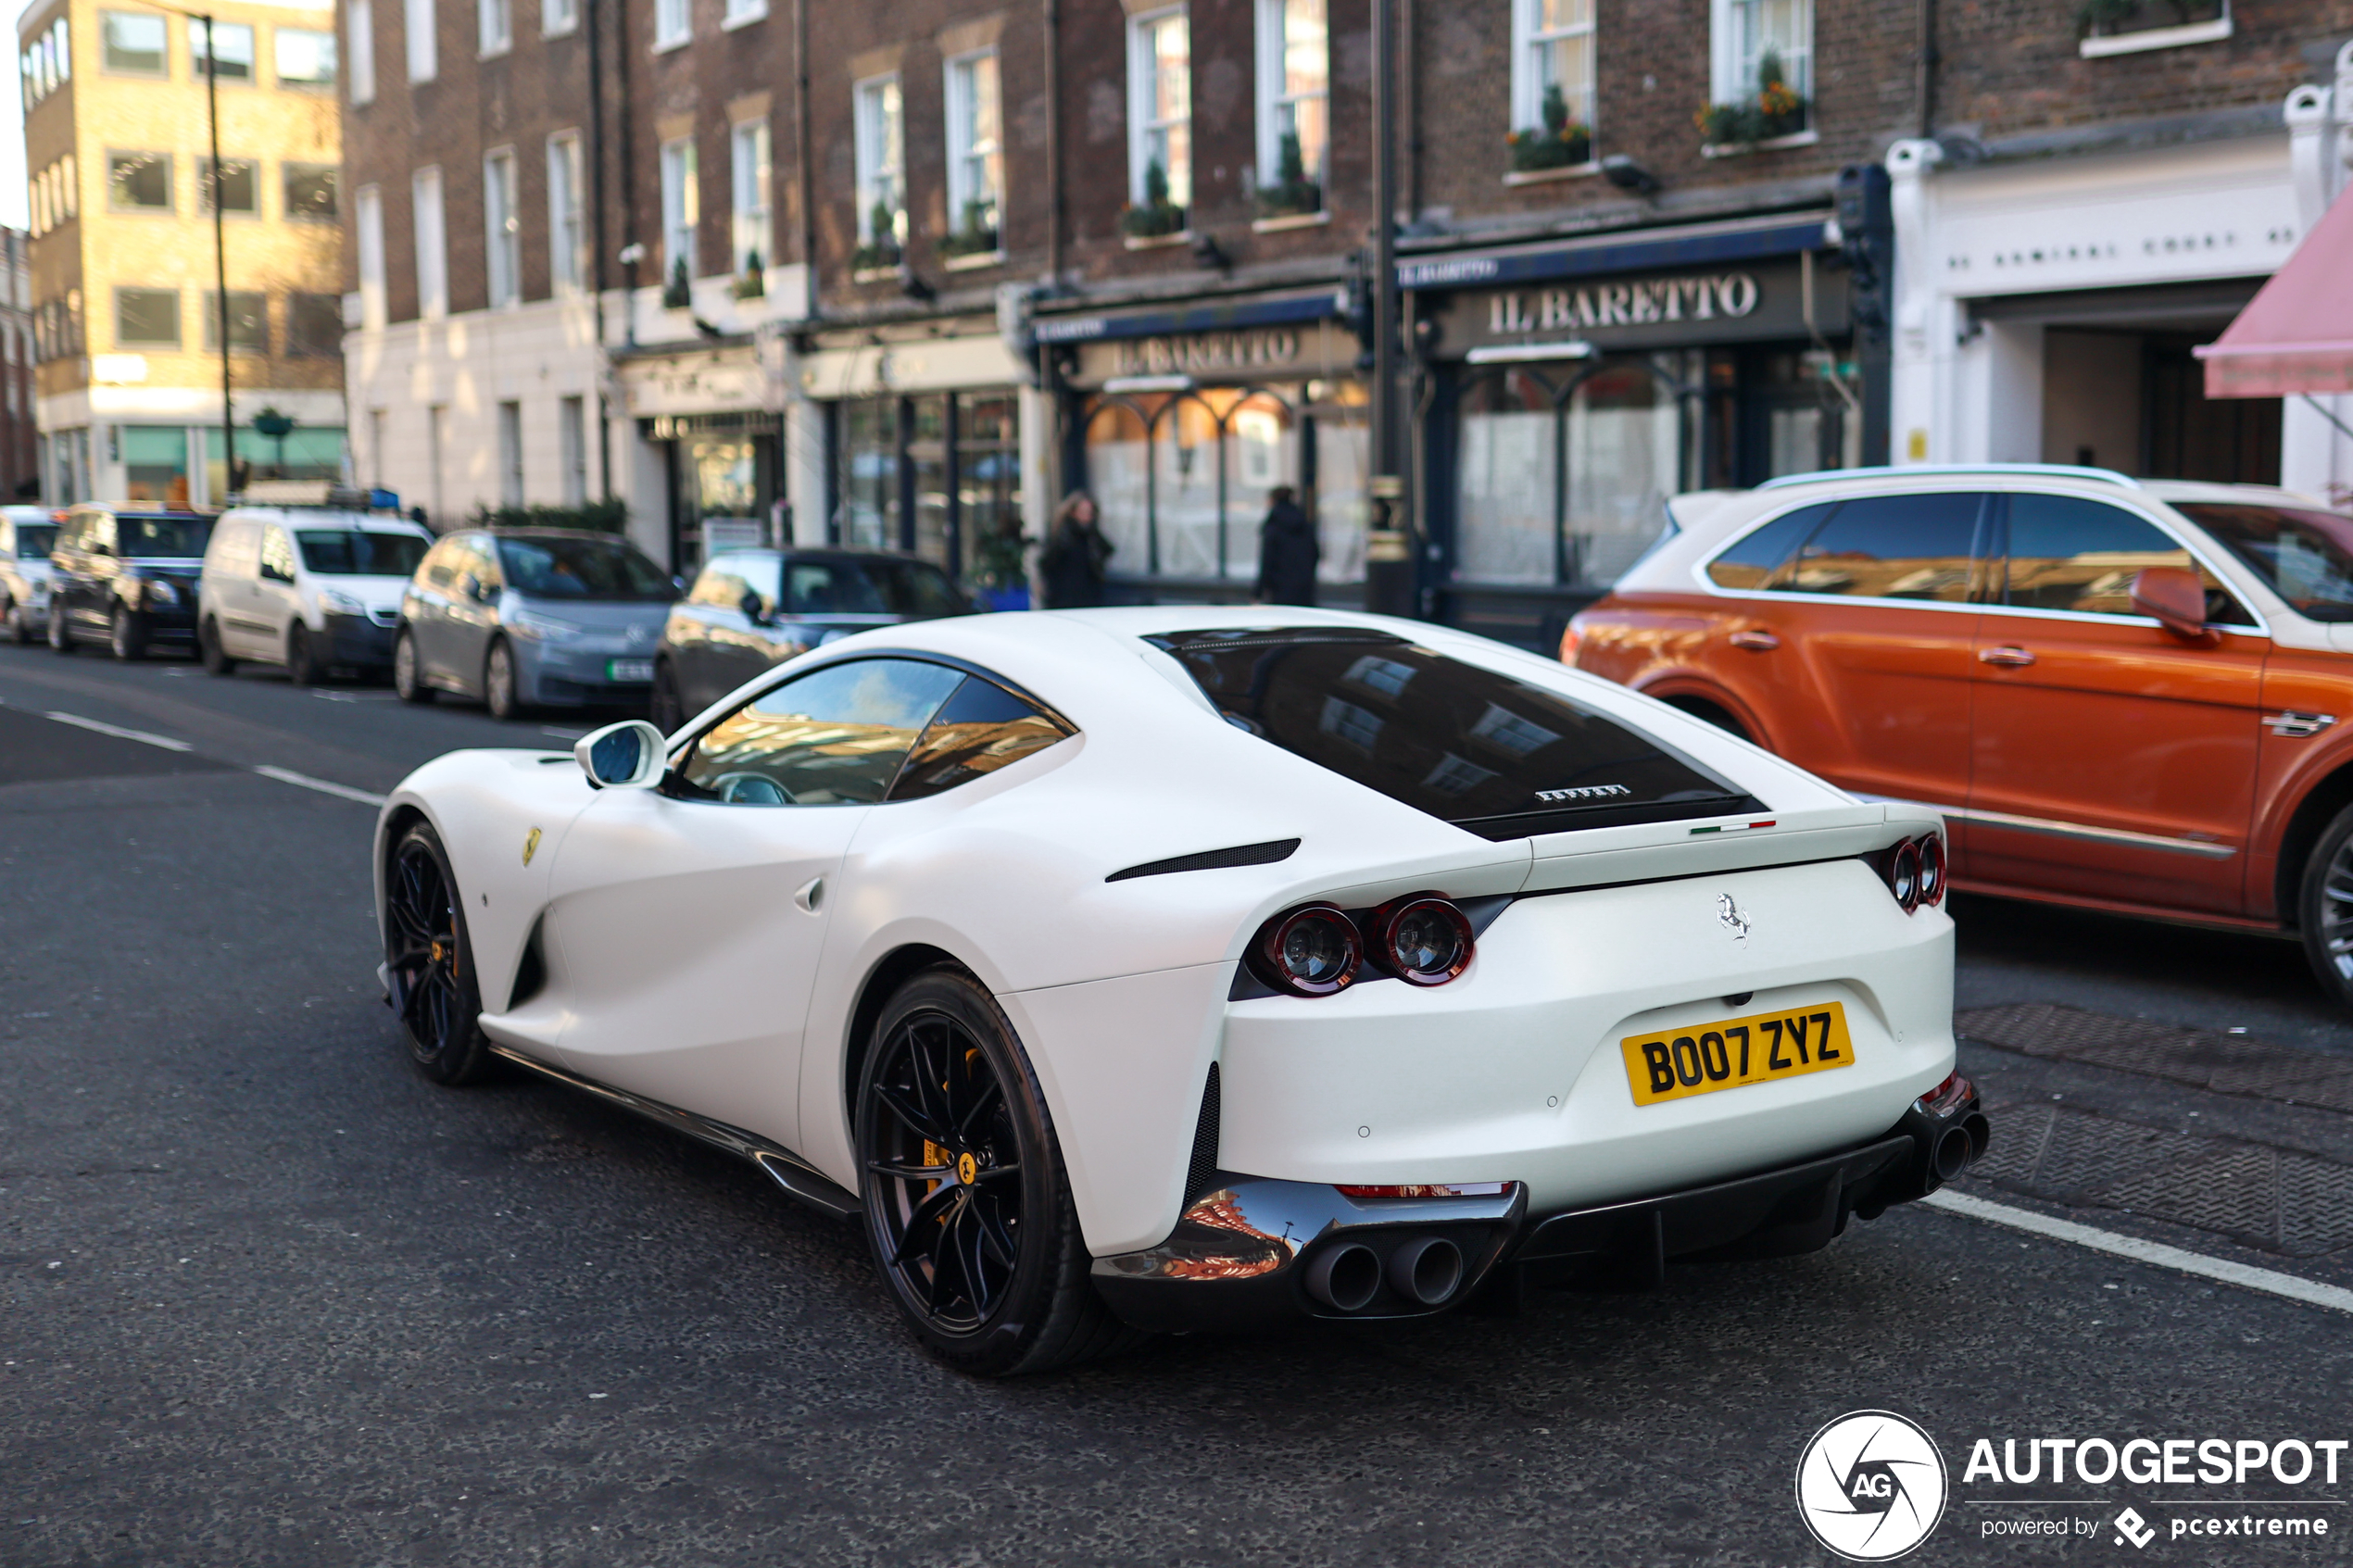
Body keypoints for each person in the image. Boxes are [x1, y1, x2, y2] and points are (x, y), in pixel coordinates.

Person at [1039, 490, 1112, 608]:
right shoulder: (1061, 535)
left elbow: (1106, 552)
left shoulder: (1092, 535)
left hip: (1091, 596)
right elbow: (1046, 564)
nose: (1087, 516)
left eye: (1090, 512)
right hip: (1063, 599)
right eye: (1083, 512)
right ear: (1072, 512)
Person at [1254, 485, 1319, 607]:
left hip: (1279, 589)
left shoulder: (1274, 526)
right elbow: (1315, 554)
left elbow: (1267, 561)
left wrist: (1258, 591)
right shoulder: (1304, 524)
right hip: (1304, 589)